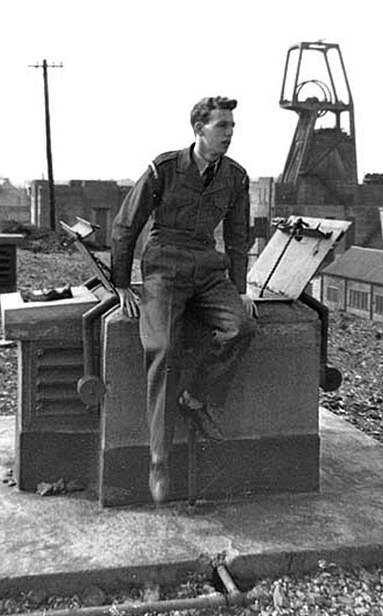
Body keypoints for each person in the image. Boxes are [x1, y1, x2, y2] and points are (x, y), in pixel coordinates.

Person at [110, 96, 258, 505]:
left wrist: (241, 287)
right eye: (222, 126)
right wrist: (121, 283)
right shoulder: (165, 168)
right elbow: (126, 224)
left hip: (209, 270)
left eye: (231, 126)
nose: (230, 133)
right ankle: (159, 460)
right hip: (164, 267)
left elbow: (238, 236)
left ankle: (196, 396)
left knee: (241, 328)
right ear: (199, 129)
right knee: (163, 347)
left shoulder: (236, 177)